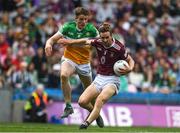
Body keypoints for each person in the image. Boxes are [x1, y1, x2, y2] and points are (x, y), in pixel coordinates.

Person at [57, 22, 135, 129]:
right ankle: (96, 115)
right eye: (102, 37)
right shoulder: (98, 42)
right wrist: (69, 42)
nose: (105, 40)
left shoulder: (119, 47)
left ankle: (86, 123)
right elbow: (84, 41)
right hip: (99, 78)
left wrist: (130, 69)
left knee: (100, 99)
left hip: (113, 80)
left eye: (107, 37)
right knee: (82, 102)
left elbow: (131, 60)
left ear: (111, 35)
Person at [44, 7, 100, 120]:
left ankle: (95, 112)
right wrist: (48, 45)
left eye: (85, 19)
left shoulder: (92, 29)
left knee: (89, 91)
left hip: (84, 63)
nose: (83, 22)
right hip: (70, 59)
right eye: (81, 19)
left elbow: (100, 42)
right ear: (76, 19)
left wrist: (72, 42)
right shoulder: (67, 27)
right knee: (64, 75)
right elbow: (51, 39)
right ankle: (68, 106)